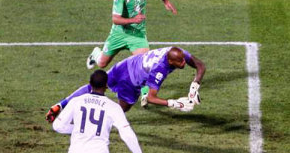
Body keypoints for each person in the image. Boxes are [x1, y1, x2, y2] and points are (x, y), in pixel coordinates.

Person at [47, 45, 204, 122]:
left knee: (94, 86)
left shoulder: (177, 52)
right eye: (180, 61)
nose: (184, 63)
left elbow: (200, 66)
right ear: (170, 61)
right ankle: (89, 120)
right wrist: (175, 104)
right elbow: (151, 97)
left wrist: (194, 85)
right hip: (131, 80)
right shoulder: (160, 69)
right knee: (122, 109)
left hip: (126, 64)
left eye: (183, 59)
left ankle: (60, 105)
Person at [86, 0, 177, 70]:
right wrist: (133, 20)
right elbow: (115, 19)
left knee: (145, 67)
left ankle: (142, 86)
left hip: (137, 35)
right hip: (119, 33)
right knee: (102, 63)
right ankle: (95, 53)